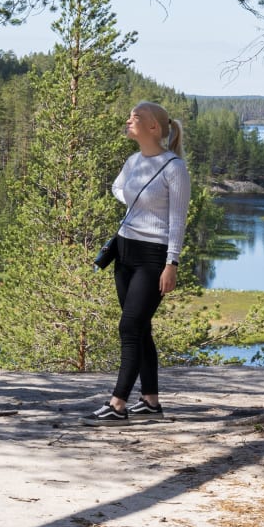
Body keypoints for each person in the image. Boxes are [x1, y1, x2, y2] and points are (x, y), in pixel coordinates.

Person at [89, 101, 192, 424]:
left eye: (137, 117)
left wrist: (171, 263)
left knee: (130, 326)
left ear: (155, 128)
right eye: (129, 115)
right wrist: (135, 201)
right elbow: (117, 187)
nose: (129, 120)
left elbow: (177, 222)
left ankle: (118, 403)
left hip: (153, 256)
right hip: (125, 251)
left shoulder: (174, 168)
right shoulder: (133, 161)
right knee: (141, 327)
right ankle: (150, 401)